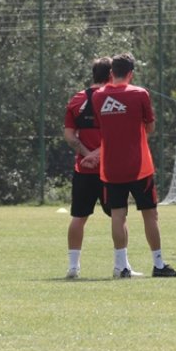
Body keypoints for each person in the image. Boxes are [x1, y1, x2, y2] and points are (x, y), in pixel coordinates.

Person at [93, 53, 176, 278]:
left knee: (117, 215)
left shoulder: (97, 97)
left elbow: (100, 126)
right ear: (131, 74)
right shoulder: (139, 94)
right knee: (150, 215)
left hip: (111, 166)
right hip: (139, 165)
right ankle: (158, 264)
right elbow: (150, 127)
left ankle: (120, 266)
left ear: (111, 73)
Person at [62, 56, 111, 278]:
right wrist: (100, 154)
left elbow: (69, 136)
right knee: (119, 215)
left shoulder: (76, 99)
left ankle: (73, 267)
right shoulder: (113, 99)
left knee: (78, 217)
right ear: (111, 75)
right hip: (110, 169)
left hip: (83, 168)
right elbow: (118, 136)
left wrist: (87, 154)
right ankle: (122, 265)